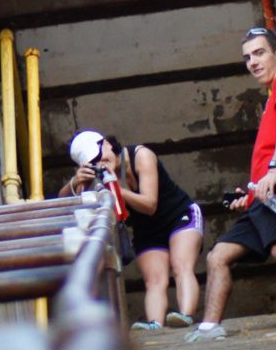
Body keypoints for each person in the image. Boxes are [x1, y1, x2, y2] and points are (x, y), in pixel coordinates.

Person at [186, 26, 276, 343]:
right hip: (264, 193)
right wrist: (250, 194)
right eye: (247, 57)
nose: (253, 62)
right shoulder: (272, 94)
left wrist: (274, 169)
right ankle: (209, 327)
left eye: (259, 53)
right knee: (218, 256)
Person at [61, 130, 204, 330]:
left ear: (108, 144)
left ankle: (186, 316)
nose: (100, 162)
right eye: (93, 161)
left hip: (178, 215)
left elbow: (150, 204)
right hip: (146, 229)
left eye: (100, 155)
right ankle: (155, 325)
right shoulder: (98, 175)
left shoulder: (141, 156)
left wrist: (115, 189)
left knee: (181, 265)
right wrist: (75, 182)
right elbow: (63, 202)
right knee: (154, 280)